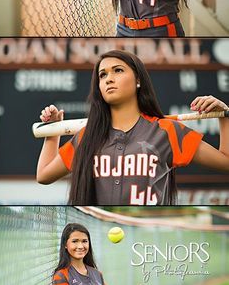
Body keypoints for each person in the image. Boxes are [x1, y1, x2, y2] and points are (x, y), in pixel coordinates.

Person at [36, 50, 229, 207]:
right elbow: (43, 175)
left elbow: (226, 162)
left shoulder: (167, 131)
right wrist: (53, 131)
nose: (109, 79)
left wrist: (224, 115)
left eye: (118, 70)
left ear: (138, 80)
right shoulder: (87, 136)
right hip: (101, 224)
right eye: (103, 75)